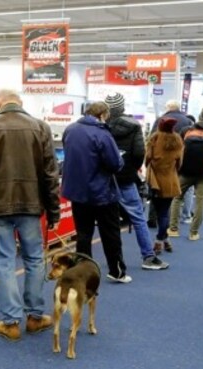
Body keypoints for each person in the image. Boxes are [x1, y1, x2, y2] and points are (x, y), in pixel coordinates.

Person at [0, 89, 60, 342]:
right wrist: (54, 210)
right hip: (31, 204)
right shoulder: (41, 127)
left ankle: (10, 323)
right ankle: (35, 316)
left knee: (6, 261)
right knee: (34, 259)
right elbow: (51, 174)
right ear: (20, 103)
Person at [62, 101, 131, 283]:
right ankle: (116, 271)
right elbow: (115, 163)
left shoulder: (70, 129)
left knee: (83, 233)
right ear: (103, 114)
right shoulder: (102, 133)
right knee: (110, 233)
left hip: (77, 191)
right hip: (101, 192)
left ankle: (82, 271)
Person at [104, 93, 168, 270]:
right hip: (125, 177)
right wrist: (131, 168)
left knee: (107, 221)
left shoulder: (102, 126)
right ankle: (148, 256)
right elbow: (139, 152)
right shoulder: (133, 126)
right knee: (138, 217)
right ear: (122, 106)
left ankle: (113, 261)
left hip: (104, 178)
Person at [168, 105, 203, 241]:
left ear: (199, 116)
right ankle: (194, 232)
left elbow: (177, 149)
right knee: (200, 202)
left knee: (177, 198)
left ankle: (173, 229)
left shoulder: (186, 130)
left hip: (185, 171)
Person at [145, 117, 183, 255]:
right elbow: (180, 163)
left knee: (159, 211)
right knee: (165, 212)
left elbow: (147, 158)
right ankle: (165, 240)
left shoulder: (154, 138)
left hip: (155, 180)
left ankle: (158, 241)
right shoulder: (177, 140)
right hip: (171, 180)